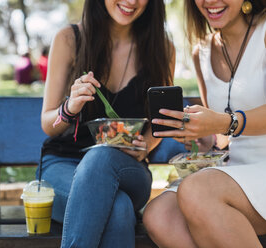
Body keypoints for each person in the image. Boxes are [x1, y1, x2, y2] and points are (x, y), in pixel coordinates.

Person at [143, 0, 266, 247]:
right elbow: (222, 137)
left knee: (197, 191)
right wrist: (198, 133)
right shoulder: (202, 52)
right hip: (238, 171)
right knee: (159, 215)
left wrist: (221, 122)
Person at [36, 0, 175, 247]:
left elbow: (160, 123)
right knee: (119, 208)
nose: (131, 2)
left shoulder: (161, 47)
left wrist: (145, 145)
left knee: (101, 158)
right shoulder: (69, 39)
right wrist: (70, 108)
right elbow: (48, 123)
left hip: (128, 168)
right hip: (62, 166)